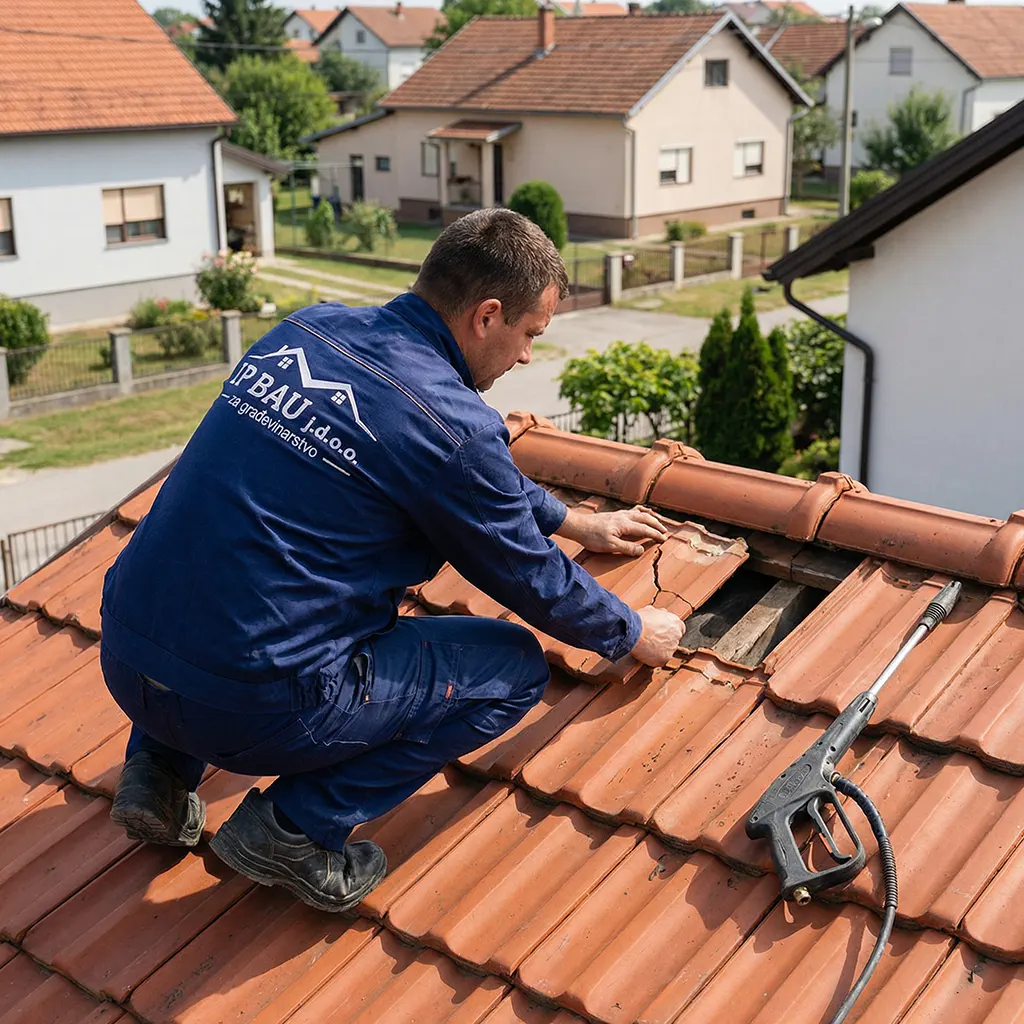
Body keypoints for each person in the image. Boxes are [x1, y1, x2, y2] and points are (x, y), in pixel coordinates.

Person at [100, 208, 685, 913]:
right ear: (486, 315)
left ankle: (156, 776)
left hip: (127, 657)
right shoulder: (450, 425)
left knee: (219, 575)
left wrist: (572, 520)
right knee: (512, 668)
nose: (527, 355)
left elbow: (456, 472)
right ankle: (295, 830)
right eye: (530, 334)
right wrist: (631, 632)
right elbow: (528, 573)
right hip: (251, 711)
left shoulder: (305, 331)